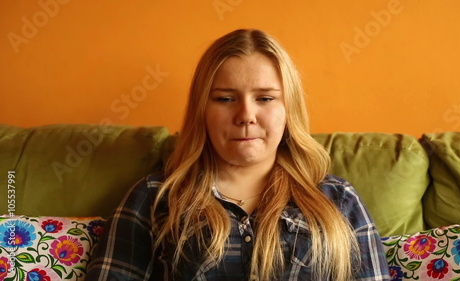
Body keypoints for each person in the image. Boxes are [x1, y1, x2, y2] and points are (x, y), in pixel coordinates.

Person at [87, 29, 390, 281]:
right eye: (225, 98)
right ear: (202, 110)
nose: (246, 115)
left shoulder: (337, 200)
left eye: (265, 98)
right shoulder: (154, 199)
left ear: (289, 110)